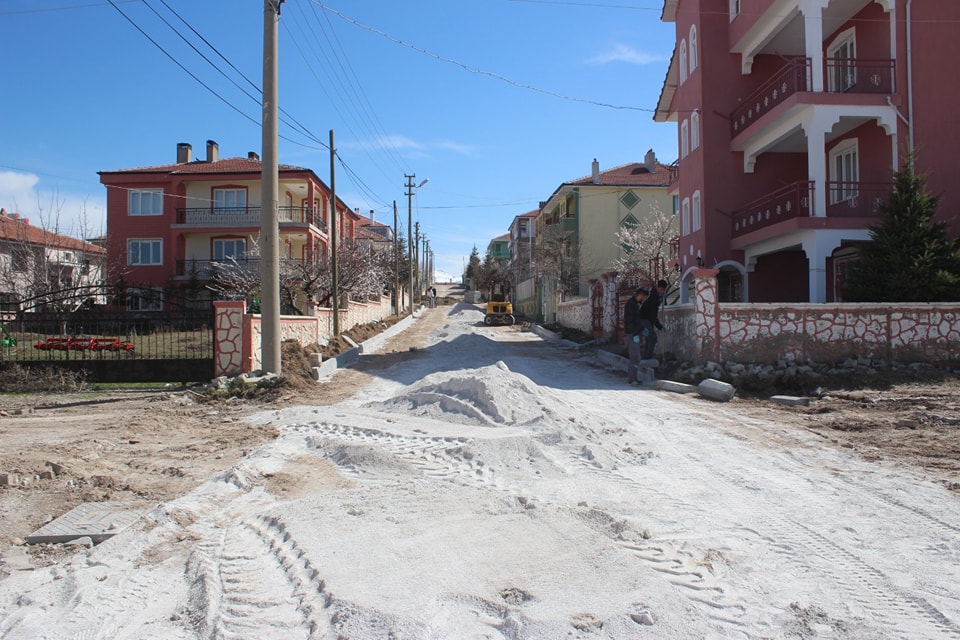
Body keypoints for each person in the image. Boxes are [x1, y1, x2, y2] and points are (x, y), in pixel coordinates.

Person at [623, 287, 647, 386]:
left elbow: (636, 321)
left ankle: (634, 378)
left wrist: (642, 329)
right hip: (631, 334)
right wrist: (634, 333)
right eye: (644, 297)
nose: (644, 299)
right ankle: (632, 379)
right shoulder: (630, 304)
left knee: (636, 357)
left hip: (634, 333)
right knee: (635, 357)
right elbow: (629, 321)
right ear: (640, 295)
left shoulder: (635, 304)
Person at [638, 281, 666, 360]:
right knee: (652, 338)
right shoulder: (654, 296)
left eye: (663, 290)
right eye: (662, 289)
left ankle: (646, 358)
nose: (662, 291)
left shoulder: (654, 294)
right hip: (645, 319)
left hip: (645, 319)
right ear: (658, 287)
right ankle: (647, 358)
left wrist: (660, 300)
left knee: (648, 339)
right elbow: (653, 315)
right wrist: (660, 327)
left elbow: (654, 308)